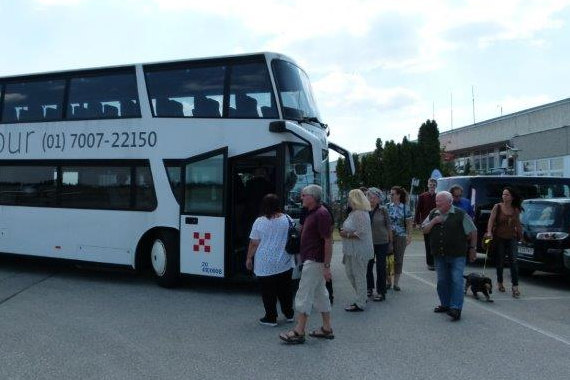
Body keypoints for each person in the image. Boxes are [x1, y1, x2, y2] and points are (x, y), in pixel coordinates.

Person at [279, 185, 334, 344]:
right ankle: (326, 328)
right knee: (320, 294)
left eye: (304, 195)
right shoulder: (314, 212)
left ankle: (298, 331)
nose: (301, 197)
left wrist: (327, 266)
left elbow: (328, 241)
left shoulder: (321, 214)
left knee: (304, 294)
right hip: (313, 260)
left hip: (315, 260)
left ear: (312, 197)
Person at [421, 191, 477, 321]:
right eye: (436, 201)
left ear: (449, 202)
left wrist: (473, 249)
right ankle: (445, 304)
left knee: (456, 280)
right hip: (439, 254)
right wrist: (434, 221)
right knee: (442, 281)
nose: (437, 203)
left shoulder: (460, 214)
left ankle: (456, 308)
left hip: (457, 254)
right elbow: (424, 230)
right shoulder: (433, 213)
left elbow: (473, 231)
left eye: (440, 201)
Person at [245, 194, 294, 326]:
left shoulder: (260, 221)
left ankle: (271, 317)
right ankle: (289, 314)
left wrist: (249, 258)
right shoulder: (288, 219)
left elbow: (254, 243)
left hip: (265, 263)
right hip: (284, 262)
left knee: (268, 292)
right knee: (285, 291)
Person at [484, 186, 523, 298]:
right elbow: (491, 220)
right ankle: (500, 282)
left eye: (506, 194)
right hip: (499, 237)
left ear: (512, 197)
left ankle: (515, 287)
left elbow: (518, 224)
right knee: (500, 262)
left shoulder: (515, 209)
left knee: (514, 262)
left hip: (511, 238)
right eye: (503, 194)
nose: (504, 196)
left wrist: (521, 235)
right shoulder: (498, 207)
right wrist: (489, 232)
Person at [339, 189, 374, 312]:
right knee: (350, 273)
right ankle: (361, 296)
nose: (348, 200)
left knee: (358, 276)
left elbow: (361, 233)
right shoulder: (353, 213)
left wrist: (346, 234)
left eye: (349, 198)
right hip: (351, 250)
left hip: (359, 251)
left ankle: (360, 302)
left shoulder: (360, 213)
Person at [365, 187, 392, 302]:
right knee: (368, 266)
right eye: (369, 197)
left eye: (374, 197)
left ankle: (381, 292)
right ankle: (369, 288)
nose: (371, 199)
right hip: (368, 242)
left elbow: (389, 226)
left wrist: (390, 243)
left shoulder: (383, 210)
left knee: (381, 267)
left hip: (382, 242)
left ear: (379, 199)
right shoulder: (364, 210)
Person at [387, 186, 413, 291]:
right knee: (389, 259)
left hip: (401, 236)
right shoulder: (387, 206)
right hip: (389, 236)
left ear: (398, 195)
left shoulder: (405, 207)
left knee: (398, 259)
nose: (391, 196)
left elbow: (409, 223)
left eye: (393, 194)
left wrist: (409, 236)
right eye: (390, 194)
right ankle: (388, 281)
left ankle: (396, 283)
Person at [414, 178, 437, 270]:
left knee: (435, 243)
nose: (432, 187)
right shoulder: (422, 196)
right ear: (428, 185)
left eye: (434, 185)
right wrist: (417, 222)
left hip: (436, 223)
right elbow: (417, 210)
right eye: (430, 185)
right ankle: (430, 263)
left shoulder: (438, 196)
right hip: (425, 223)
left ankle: (436, 262)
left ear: (436, 186)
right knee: (428, 243)